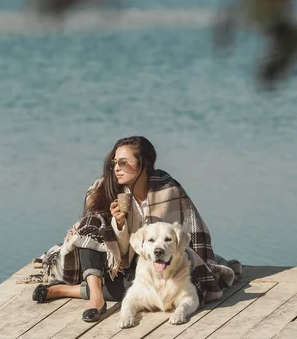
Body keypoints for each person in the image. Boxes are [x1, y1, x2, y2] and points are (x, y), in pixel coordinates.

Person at [31, 136, 240, 322]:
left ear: (143, 164)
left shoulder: (168, 190)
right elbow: (97, 241)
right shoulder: (102, 189)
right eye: (115, 163)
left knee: (130, 290)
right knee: (92, 225)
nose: (116, 168)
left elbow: (191, 232)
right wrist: (119, 224)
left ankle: (65, 290)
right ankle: (95, 297)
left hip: (145, 265)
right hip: (107, 261)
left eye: (124, 163)